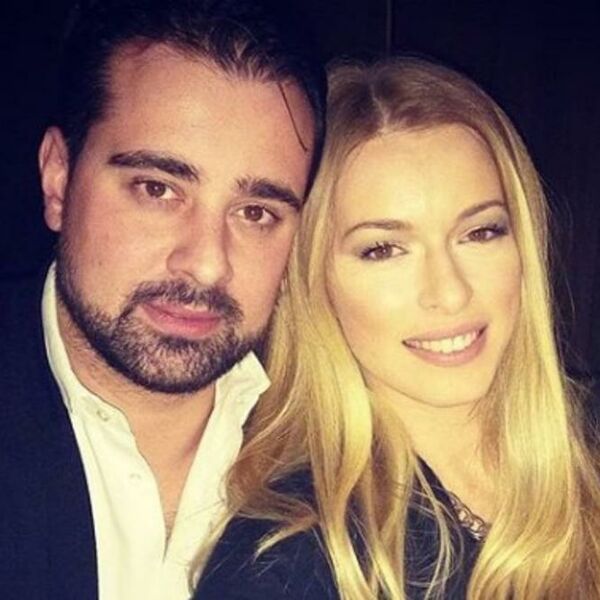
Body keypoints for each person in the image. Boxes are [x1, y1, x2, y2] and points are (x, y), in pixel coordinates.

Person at [196, 58, 600, 599]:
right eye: (384, 249)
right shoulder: (287, 567)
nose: (449, 293)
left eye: (480, 232)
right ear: (310, 280)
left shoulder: (587, 444)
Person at [0, 1, 325, 598]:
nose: (207, 263)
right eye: (158, 189)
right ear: (58, 179)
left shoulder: (338, 450)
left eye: (256, 213)